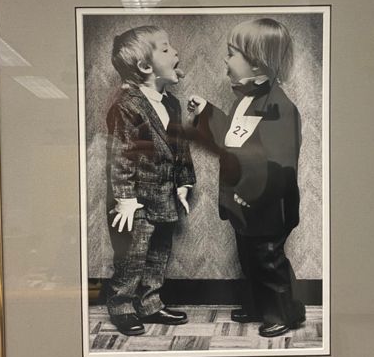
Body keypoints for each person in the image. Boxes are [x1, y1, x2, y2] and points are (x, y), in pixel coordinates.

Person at [188, 18, 305, 337]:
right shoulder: (245, 101)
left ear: (257, 64)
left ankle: (283, 312)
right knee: (249, 259)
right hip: (245, 206)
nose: (225, 61)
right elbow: (233, 136)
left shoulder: (280, 108)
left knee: (268, 262)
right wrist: (207, 113)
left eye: (231, 53)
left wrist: (252, 194)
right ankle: (261, 305)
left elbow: (281, 164)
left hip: (267, 206)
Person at [106, 25, 196, 336]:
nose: (175, 52)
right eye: (166, 48)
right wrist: (125, 198)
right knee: (133, 255)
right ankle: (121, 305)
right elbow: (121, 154)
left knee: (159, 252)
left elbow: (180, 145)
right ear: (145, 67)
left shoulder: (170, 103)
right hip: (137, 199)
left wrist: (184, 181)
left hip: (165, 194)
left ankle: (150, 303)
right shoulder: (127, 105)